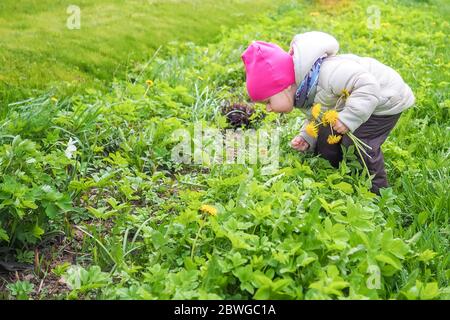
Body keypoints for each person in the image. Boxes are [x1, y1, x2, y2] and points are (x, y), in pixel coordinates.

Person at [241, 31, 415, 194]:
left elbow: (367, 85)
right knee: (326, 129)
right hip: (358, 100)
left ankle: (378, 191)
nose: (268, 109)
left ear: (284, 87)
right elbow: (318, 113)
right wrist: (307, 136)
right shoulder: (303, 89)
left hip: (385, 99)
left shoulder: (328, 74)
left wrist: (348, 119)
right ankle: (330, 169)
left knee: (359, 143)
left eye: (268, 101)